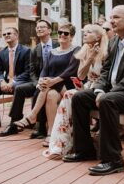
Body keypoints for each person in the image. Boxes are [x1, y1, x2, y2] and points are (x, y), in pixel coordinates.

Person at [64, 5, 124, 176]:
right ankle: (85, 150)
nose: (112, 21)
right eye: (111, 17)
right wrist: (99, 89)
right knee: (79, 98)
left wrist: (110, 92)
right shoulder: (113, 41)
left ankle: (113, 160)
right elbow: (106, 71)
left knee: (108, 101)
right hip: (115, 91)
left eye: (116, 17)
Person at [43, 24, 108, 159]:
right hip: (88, 87)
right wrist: (90, 57)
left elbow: (106, 76)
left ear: (98, 37)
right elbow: (81, 76)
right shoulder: (85, 50)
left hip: (102, 89)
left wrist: (96, 55)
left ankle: (65, 144)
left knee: (69, 95)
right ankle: (61, 143)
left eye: (89, 32)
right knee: (69, 95)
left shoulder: (106, 51)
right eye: (84, 32)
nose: (84, 34)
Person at [14, 23, 79, 139]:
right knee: (50, 96)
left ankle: (32, 116)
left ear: (72, 36)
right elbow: (45, 70)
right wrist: (41, 81)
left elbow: (71, 71)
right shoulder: (52, 52)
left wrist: (52, 81)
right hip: (53, 87)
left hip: (69, 86)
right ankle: (51, 133)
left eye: (66, 33)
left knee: (47, 86)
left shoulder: (76, 50)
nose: (62, 35)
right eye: (60, 32)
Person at [0, 20, 56, 137]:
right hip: (38, 81)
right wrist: (36, 83)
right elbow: (32, 71)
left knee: (38, 93)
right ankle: (14, 124)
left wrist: (52, 81)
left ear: (49, 30)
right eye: (37, 27)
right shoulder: (35, 49)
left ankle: (41, 128)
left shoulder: (58, 45)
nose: (39, 29)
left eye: (42, 27)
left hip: (56, 81)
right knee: (20, 89)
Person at [0, 27, 31, 129]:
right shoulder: (2, 52)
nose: (6, 35)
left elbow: (28, 72)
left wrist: (12, 82)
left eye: (9, 33)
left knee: (18, 87)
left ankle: (16, 120)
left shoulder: (26, 51)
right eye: (4, 34)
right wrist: (2, 81)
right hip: (6, 82)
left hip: (21, 82)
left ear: (16, 35)